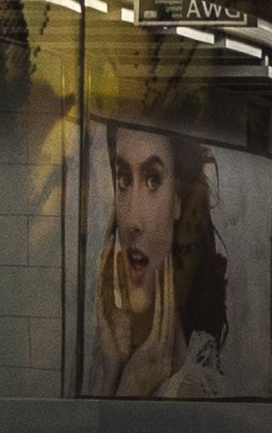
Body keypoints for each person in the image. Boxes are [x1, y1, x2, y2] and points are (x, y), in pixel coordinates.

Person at [93, 120, 234, 397]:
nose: (133, 220)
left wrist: (130, 388)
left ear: (178, 202)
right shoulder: (107, 354)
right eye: (123, 180)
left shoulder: (190, 391)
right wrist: (114, 375)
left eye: (153, 180)